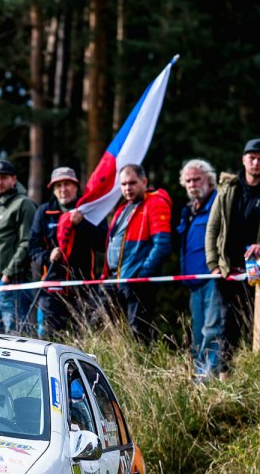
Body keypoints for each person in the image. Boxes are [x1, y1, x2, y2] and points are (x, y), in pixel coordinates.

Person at [205, 139, 260, 374]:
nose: (255, 163)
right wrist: (213, 264)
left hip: (259, 271)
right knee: (227, 325)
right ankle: (225, 376)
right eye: (251, 158)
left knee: (255, 326)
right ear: (243, 159)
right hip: (228, 271)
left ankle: (254, 375)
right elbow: (213, 228)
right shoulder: (227, 189)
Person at [29, 167, 104, 336]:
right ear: (53, 189)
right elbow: (33, 248)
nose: (63, 189)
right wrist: (48, 256)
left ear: (76, 187)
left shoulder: (89, 210)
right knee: (50, 339)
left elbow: (103, 243)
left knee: (85, 339)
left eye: (67, 184)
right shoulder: (44, 212)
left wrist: (82, 224)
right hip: (52, 289)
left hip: (84, 287)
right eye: (58, 185)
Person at [103, 164, 172, 341]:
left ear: (144, 181)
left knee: (139, 333)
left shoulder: (155, 203)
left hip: (137, 281)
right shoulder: (123, 208)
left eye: (132, 183)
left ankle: (141, 366)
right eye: (124, 184)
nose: (127, 188)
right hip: (117, 278)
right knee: (105, 327)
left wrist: (142, 274)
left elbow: (162, 244)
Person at [0, 160, 37, 335]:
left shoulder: (23, 204)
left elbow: (27, 241)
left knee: (16, 337)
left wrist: (8, 274)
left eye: (3, 178)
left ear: (14, 179)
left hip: (11, 282)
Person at [176, 159, 223, 379]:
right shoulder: (188, 210)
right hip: (193, 282)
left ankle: (208, 378)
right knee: (197, 333)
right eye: (188, 181)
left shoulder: (219, 202)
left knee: (212, 329)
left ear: (209, 180)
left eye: (197, 179)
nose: (193, 184)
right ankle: (198, 376)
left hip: (213, 277)